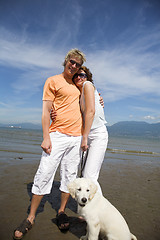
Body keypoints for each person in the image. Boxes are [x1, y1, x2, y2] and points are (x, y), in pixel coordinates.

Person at [13, 49, 86, 239]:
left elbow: (90, 104)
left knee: (69, 176)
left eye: (78, 64)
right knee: (44, 173)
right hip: (57, 135)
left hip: (76, 137)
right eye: (72, 62)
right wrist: (46, 137)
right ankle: (30, 217)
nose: (74, 66)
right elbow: (46, 111)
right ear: (65, 61)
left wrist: (99, 99)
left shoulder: (80, 86)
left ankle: (61, 211)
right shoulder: (52, 81)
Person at [73, 66, 108, 194]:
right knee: (82, 173)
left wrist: (85, 137)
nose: (79, 77)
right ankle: (86, 209)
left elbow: (91, 111)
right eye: (76, 75)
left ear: (87, 77)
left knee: (89, 175)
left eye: (82, 75)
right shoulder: (78, 93)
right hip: (85, 133)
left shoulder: (87, 85)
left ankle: (99, 208)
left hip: (97, 133)